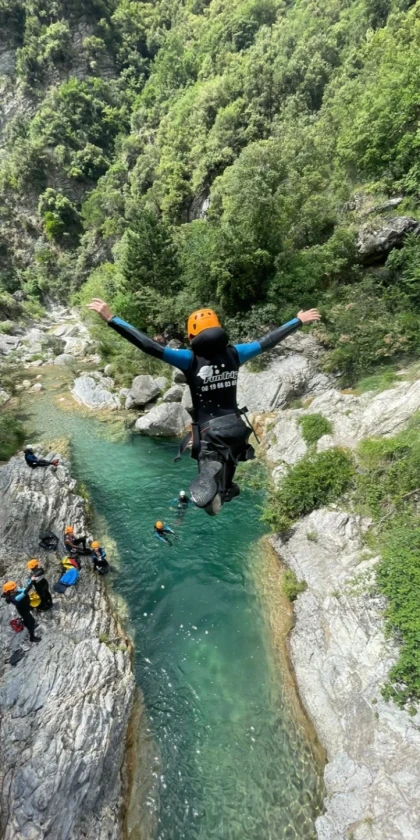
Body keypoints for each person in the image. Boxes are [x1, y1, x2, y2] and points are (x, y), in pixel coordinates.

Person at [87, 298, 321, 515]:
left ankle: (211, 474)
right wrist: (297, 320)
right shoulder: (236, 354)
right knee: (228, 472)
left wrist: (112, 319)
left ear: (192, 336)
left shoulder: (189, 359)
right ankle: (227, 489)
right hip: (237, 428)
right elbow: (268, 341)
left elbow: (150, 346)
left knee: (209, 490)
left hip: (210, 433)